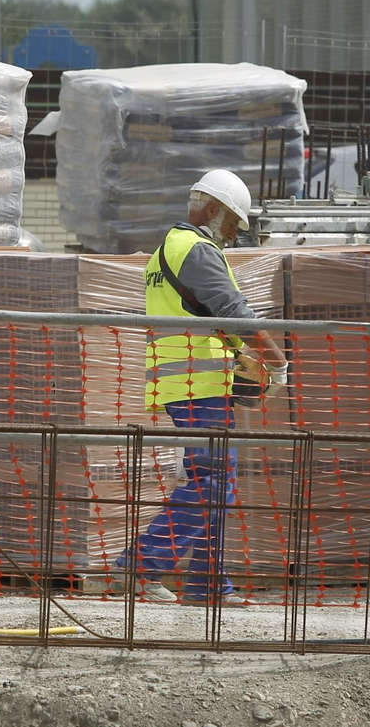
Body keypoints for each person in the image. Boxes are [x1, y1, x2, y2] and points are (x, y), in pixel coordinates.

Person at [108, 169, 287, 604]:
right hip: (195, 382)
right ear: (213, 209)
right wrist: (276, 360)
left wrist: (236, 356)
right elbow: (234, 311)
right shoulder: (196, 249)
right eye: (233, 223)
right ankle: (140, 564)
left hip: (191, 380)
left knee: (217, 481)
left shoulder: (169, 249)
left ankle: (209, 585)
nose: (234, 234)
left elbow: (202, 315)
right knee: (212, 482)